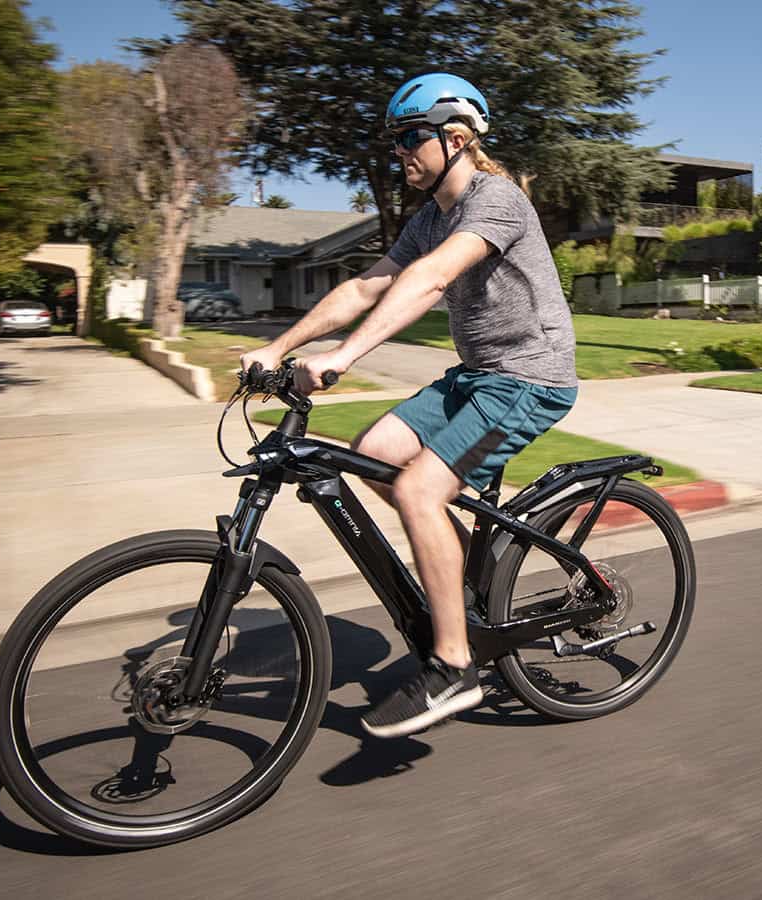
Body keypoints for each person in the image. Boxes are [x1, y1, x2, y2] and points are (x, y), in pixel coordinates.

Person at [239, 73, 577, 738]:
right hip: (477, 376)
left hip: (530, 379)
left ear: (457, 138)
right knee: (372, 456)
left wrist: (343, 359)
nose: (401, 153)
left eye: (410, 138)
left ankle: (454, 667)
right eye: (396, 142)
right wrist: (276, 347)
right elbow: (366, 287)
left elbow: (433, 277)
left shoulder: (497, 200)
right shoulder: (429, 217)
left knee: (421, 491)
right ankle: (465, 598)